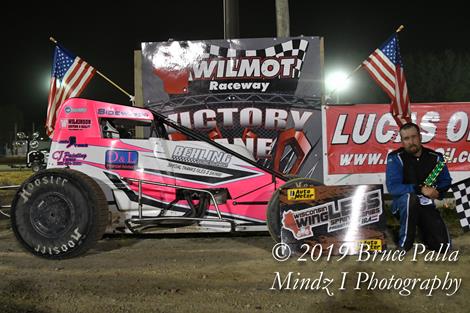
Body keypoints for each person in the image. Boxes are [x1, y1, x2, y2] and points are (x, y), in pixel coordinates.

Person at [386, 122, 452, 251]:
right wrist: (419, 189)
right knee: (411, 199)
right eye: (406, 138)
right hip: (402, 205)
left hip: (426, 205)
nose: (411, 141)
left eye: (414, 137)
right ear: (402, 141)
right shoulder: (395, 158)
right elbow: (393, 187)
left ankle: (424, 235)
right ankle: (404, 244)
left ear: (420, 137)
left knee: (444, 247)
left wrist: (437, 192)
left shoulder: (436, 158)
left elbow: (446, 180)